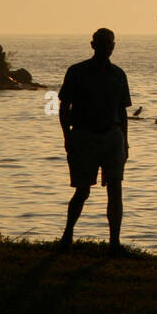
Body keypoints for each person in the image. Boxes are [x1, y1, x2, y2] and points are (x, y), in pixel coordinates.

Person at [57, 28, 131, 254]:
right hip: (83, 136)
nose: (106, 47)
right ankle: (67, 236)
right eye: (101, 43)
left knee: (115, 189)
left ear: (113, 46)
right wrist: (67, 136)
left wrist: (125, 142)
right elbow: (64, 108)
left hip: (113, 137)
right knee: (82, 190)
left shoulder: (119, 74)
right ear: (93, 45)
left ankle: (114, 243)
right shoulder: (77, 72)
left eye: (109, 44)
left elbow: (122, 110)